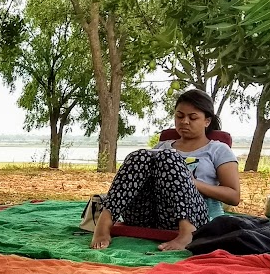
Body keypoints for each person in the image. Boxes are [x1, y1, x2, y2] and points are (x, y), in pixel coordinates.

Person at [90, 89, 241, 251]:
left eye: (193, 117)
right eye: (180, 116)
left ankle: (186, 232)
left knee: (168, 157)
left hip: (195, 215)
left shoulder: (218, 149)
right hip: (148, 215)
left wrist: (193, 183)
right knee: (140, 155)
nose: (185, 122)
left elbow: (233, 196)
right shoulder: (162, 146)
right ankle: (104, 223)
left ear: (207, 121)